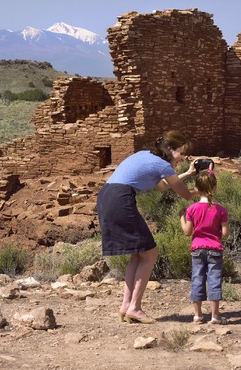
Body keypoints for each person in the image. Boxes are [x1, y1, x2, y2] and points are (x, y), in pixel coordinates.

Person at [96, 130, 197, 324]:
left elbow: (160, 186)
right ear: (169, 149)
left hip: (107, 195)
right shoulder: (161, 164)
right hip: (121, 198)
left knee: (138, 254)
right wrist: (201, 189)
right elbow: (185, 194)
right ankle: (135, 308)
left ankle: (126, 306)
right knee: (150, 254)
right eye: (180, 153)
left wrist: (187, 173)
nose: (182, 157)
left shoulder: (145, 155)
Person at [180, 168, 230, 325]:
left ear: (196, 188)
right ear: (214, 188)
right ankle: (215, 316)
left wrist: (182, 217)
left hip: (197, 249)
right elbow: (225, 233)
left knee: (197, 279)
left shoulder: (192, 209)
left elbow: (187, 232)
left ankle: (198, 315)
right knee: (214, 280)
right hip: (215, 248)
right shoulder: (220, 209)